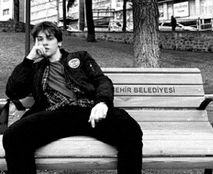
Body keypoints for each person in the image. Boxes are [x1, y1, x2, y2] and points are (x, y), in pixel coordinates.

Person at [3, 21, 143, 174]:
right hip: (54, 116)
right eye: (40, 39)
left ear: (59, 42)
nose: (44, 43)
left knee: (130, 129)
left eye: (49, 38)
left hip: (88, 112)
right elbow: (13, 92)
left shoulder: (79, 57)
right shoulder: (35, 68)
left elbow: (102, 80)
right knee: (13, 136)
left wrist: (102, 103)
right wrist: (29, 58)